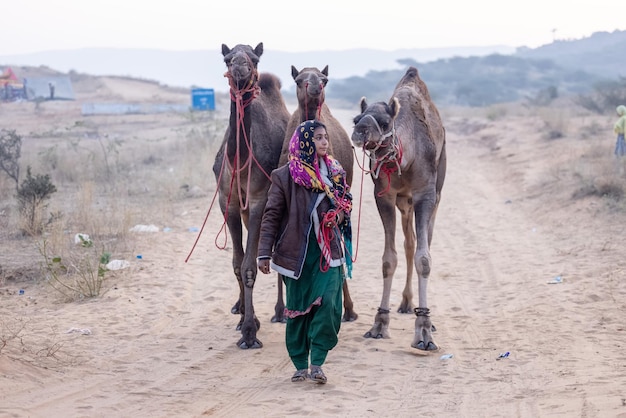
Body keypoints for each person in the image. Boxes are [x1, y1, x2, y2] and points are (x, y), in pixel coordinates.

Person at [257, 120, 353, 384]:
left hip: (328, 253)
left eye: (326, 137)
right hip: (296, 256)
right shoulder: (284, 176)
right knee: (298, 310)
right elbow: (271, 216)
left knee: (330, 306)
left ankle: (318, 363)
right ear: (306, 142)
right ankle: (300, 364)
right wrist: (264, 253)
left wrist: (340, 216)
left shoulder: (334, 172)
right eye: (319, 138)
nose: (324, 142)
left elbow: (346, 204)